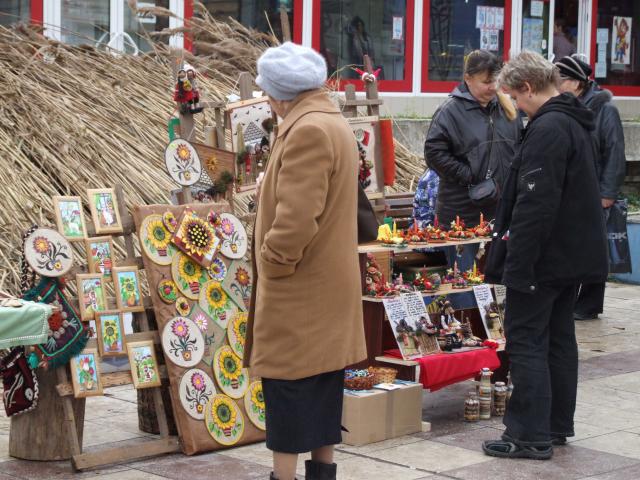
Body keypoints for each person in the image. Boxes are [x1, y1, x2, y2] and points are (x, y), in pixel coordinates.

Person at [243, 42, 367, 480]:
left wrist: (273, 263)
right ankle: (321, 473)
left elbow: (296, 219)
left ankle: (284, 477)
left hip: (301, 293)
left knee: (290, 393)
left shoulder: (307, 130)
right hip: (325, 290)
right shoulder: (329, 121)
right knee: (321, 391)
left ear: (279, 94)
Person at [483, 51, 608, 460]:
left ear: (528, 87)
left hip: (543, 258)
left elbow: (536, 204)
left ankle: (528, 434)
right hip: (568, 256)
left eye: (516, 99)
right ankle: (554, 425)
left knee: (527, 342)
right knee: (557, 340)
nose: (516, 108)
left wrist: (517, 264)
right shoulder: (573, 121)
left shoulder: (549, 127)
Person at [425, 49, 521, 270]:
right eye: (486, 82)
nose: (493, 87)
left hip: (500, 210)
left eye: (496, 81)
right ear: (468, 78)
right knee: (463, 282)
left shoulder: (508, 110)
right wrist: (469, 176)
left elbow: (519, 149)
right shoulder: (450, 111)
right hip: (462, 211)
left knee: (494, 284)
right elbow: (433, 153)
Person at [556, 55, 627, 321]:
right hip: (576, 190)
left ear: (575, 83)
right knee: (575, 246)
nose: (555, 84)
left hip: (596, 192)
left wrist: (607, 193)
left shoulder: (604, 109)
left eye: (559, 79)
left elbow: (615, 153)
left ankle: (589, 304)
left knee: (594, 249)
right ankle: (574, 300)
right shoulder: (568, 105)